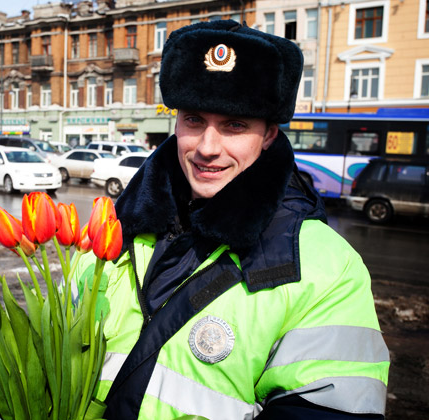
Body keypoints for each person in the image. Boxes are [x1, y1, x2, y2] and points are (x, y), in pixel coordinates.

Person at [75, 20, 389, 419]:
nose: (207, 148)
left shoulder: (327, 268)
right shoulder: (113, 232)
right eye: (193, 120)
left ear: (269, 134)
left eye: (234, 125)